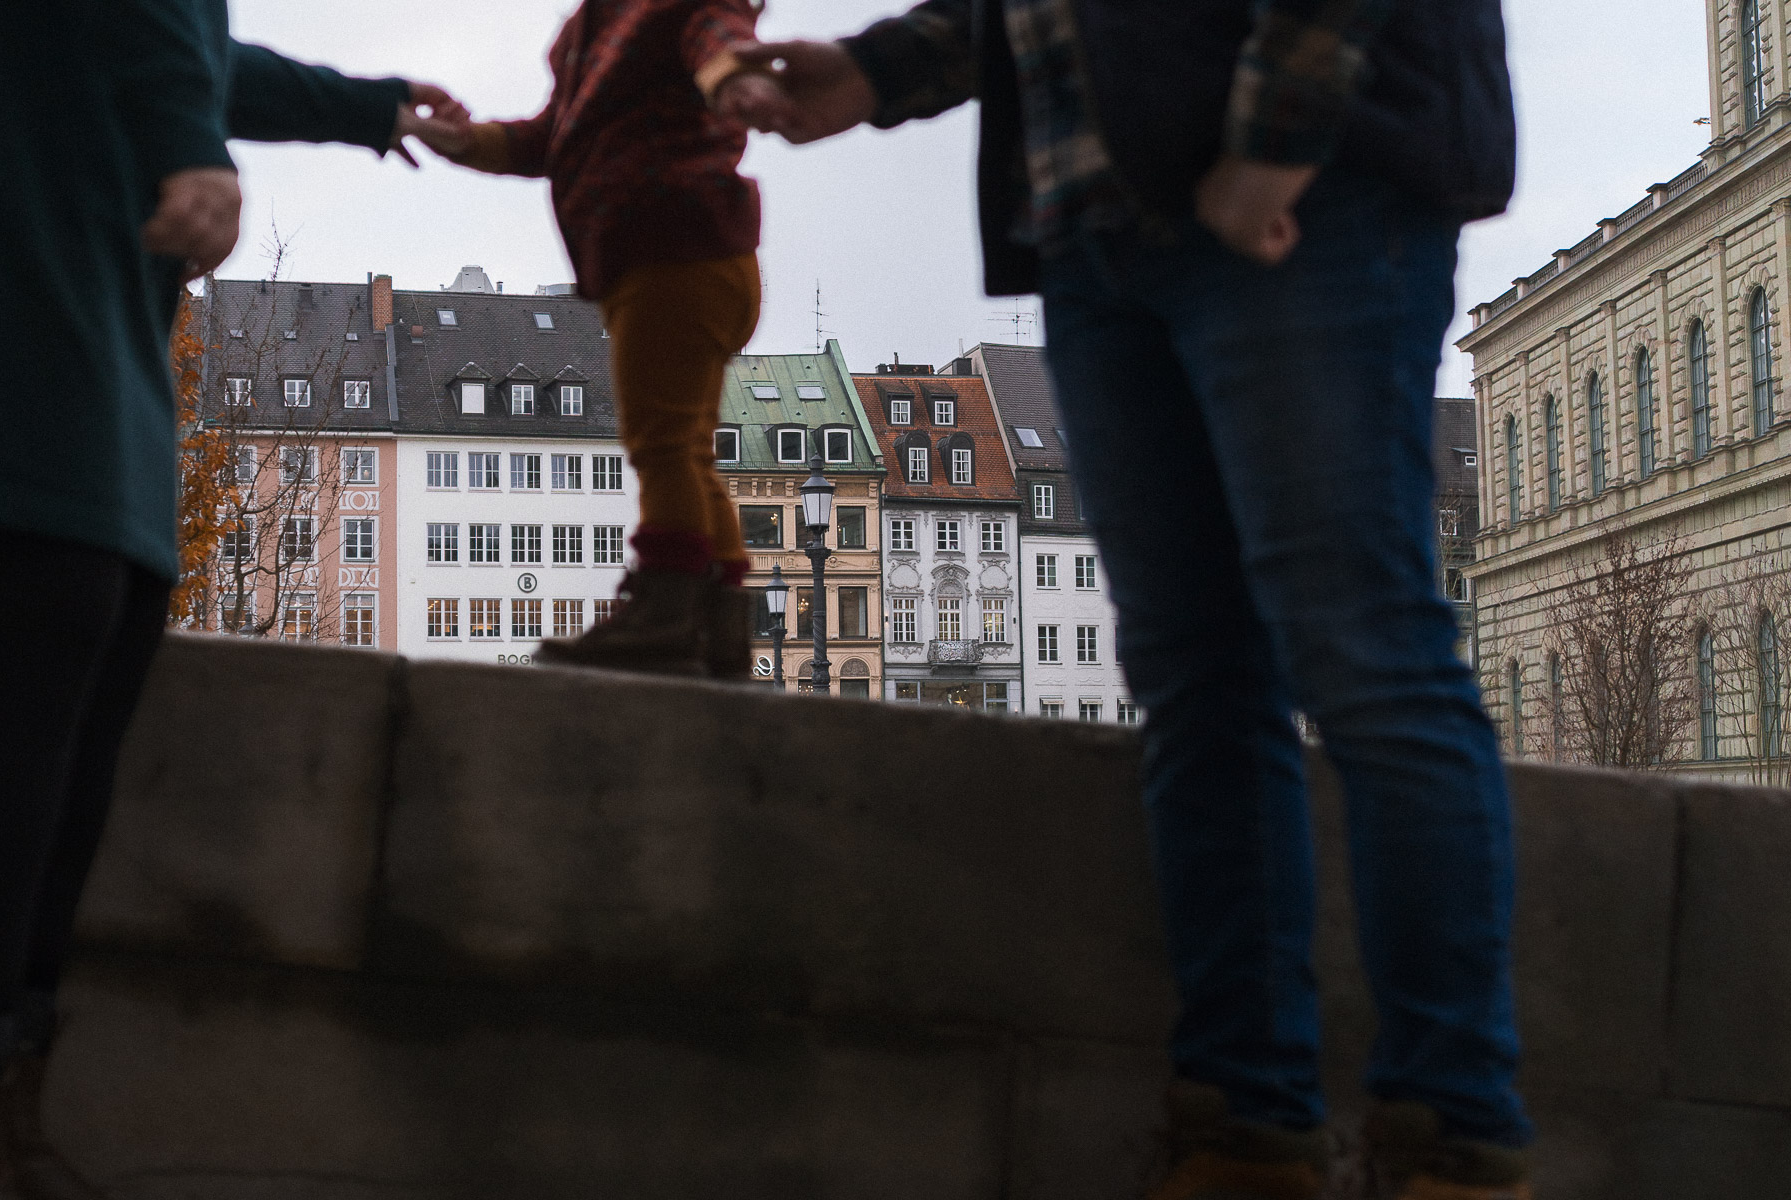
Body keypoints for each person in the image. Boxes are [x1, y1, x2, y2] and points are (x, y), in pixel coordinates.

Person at [735, 3, 1533, 1198]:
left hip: (1306, 183)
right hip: (1093, 223)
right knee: (1200, 682)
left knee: (1366, 653)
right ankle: (1246, 1130)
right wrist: (874, 71)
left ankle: (1455, 1144)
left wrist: (1277, 140)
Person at [0, 5, 466, 1196]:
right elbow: (165, 49)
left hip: (109, 446)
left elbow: (196, 55)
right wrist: (185, 140)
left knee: (60, 817)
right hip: (41, 414)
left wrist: (357, 105)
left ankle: (10, 1093)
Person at [412, 0, 794, 680]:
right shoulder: (587, 32)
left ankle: (666, 615)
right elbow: (550, 140)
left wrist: (737, 79)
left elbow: (717, 40)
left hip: (674, 250)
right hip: (680, 260)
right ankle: (718, 628)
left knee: (663, 448)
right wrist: (470, 143)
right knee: (689, 453)